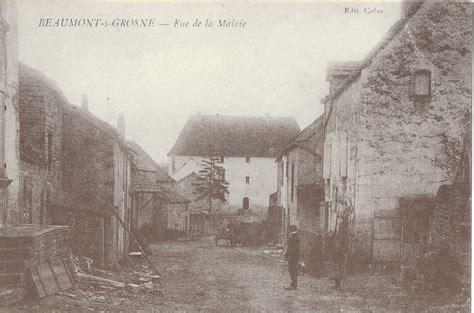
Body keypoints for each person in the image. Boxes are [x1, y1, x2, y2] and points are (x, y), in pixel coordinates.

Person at [284, 224, 300, 290]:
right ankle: (293, 284)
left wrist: (288, 254)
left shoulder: (294, 237)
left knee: (292, 270)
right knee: (293, 270)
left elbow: (292, 248)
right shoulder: (295, 236)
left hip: (293, 257)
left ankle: (293, 285)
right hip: (294, 257)